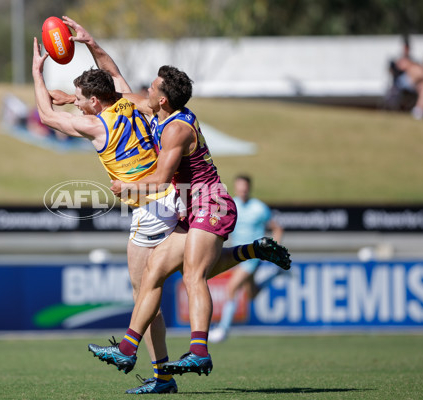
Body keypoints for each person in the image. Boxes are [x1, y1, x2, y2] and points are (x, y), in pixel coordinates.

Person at [57, 16, 291, 393]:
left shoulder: (177, 129)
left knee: (194, 275)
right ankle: (132, 351)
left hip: (211, 204)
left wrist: (128, 190)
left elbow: (162, 180)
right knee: (154, 275)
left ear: (162, 99)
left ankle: (199, 351)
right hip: (189, 207)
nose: (144, 90)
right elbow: (114, 82)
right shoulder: (154, 110)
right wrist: (90, 44)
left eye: (151, 87)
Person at [32, 31, 185, 394]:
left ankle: (150, 366)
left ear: (97, 102)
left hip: (149, 208)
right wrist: (89, 42)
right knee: (164, 284)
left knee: (145, 294)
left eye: (82, 101)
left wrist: (38, 72)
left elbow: (45, 115)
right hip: (172, 197)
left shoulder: (97, 125)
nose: (78, 106)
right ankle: (160, 373)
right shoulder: (130, 102)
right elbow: (112, 72)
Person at [209, 174, 285, 343]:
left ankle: (223, 329)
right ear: (236, 188)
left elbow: (277, 229)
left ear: (249, 188)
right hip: (236, 254)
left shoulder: (259, 208)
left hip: (253, 255)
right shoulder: (231, 204)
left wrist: (274, 250)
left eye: (245, 188)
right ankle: (276, 275)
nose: (243, 191)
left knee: (232, 287)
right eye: (240, 187)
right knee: (252, 294)